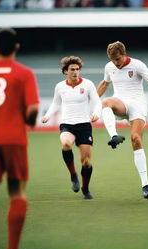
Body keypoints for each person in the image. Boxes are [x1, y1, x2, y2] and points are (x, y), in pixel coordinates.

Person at [97, 41, 148, 199]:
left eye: (117, 59)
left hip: (138, 105)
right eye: (112, 60)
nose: (115, 63)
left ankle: (145, 185)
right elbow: (105, 84)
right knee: (106, 102)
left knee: (136, 139)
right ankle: (114, 136)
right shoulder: (109, 67)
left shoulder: (138, 65)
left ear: (124, 54)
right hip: (121, 102)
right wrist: (92, 102)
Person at [0, 28, 39, 249]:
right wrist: (26, 119)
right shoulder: (24, 73)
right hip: (13, 139)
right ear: (16, 48)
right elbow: (32, 110)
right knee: (16, 193)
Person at [41, 56, 102, 200]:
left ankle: (85, 189)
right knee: (66, 143)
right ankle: (73, 175)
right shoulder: (60, 86)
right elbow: (56, 104)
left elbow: (97, 102)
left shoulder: (88, 84)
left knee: (86, 162)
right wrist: (47, 115)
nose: (75, 72)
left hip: (84, 125)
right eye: (72, 70)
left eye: (77, 69)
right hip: (67, 123)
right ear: (65, 72)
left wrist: (96, 113)